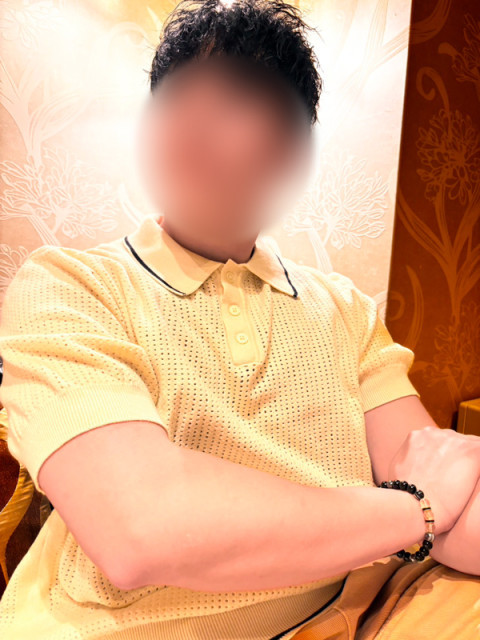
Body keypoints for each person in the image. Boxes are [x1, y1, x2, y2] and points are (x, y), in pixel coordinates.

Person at [0, 0, 479, 638]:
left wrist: (432, 506)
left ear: (291, 150)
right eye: (173, 98)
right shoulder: (69, 285)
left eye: (232, 101)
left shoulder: (345, 311)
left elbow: (452, 497)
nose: (191, 124)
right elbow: (142, 529)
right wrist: (414, 513)